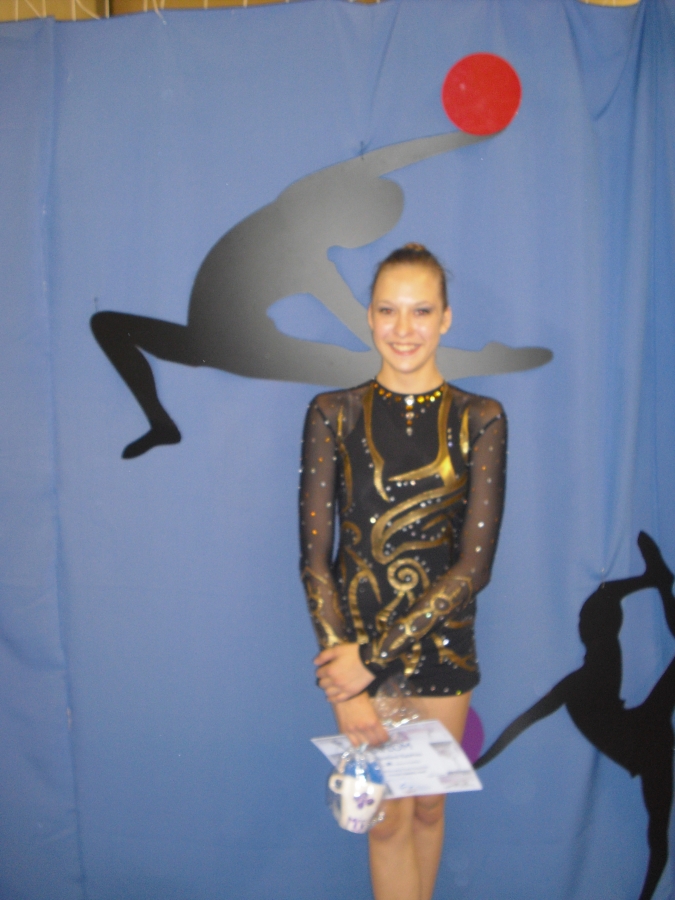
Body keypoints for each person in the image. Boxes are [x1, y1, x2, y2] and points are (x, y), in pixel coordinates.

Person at [299, 244, 507, 900]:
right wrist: (348, 678)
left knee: (428, 807)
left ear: (445, 318)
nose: (403, 327)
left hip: (443, 646)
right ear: (369, 316)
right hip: (356, 653)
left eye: (420, 311)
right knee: (385, 819)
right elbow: (315, 558)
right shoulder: (334, 413)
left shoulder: (480, 418)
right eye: (388, 310)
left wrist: (371, 659)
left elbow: (474, 566)